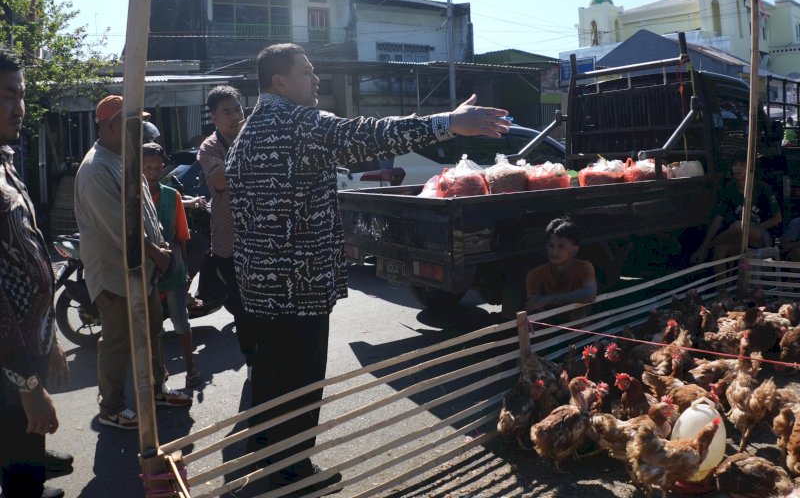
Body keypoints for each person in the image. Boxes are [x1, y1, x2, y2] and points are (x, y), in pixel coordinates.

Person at [224, 42, 510, 491]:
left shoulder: (249, 130)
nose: (316, 79)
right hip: (299, 285)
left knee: (272, 376)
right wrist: (447, 123)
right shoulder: (296, 124)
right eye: (307, 71)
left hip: (260, 286)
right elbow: (368, 133)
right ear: (280, 81)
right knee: (299, 382)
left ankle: (270, 459)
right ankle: (294, 476)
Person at [74, 95, 192, 430]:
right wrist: (155, 252)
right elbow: (118, 229)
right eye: (133, 125)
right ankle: (111, 408)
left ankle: (156, 389)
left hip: (143, 270)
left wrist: (158, 250)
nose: (141, 131)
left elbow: (146, 212)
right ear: (110, 126)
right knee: (118, 341)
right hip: (115, 274)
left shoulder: (125, 159)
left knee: (153, 330)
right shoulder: (96, 168)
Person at [0, 47, 72, 498]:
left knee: (25, 447)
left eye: (22, 95)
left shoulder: (5, 160)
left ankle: (31, 464)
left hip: (28, 350)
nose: (19, 108)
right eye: (8, 95)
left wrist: (52, 341)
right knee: (22, 479)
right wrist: (27, 383)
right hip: (9, 366)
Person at [197, 85, 257, 376]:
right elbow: (221, 181)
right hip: (229, 242)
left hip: (262, 238)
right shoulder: (209, 147)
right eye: (227, 112)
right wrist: (247, 143)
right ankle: (252, 362)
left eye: (238, 110)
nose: (236, 117)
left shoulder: (256, 136)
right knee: (243, 309)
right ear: (213, 118)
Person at [142, 142, 200, 387]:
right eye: (148, 168)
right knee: (151, 325)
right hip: (146, 268)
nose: (153, 173)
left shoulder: (172, 195)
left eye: (157, 167)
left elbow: (182, 236)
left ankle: (190, 367)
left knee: (180, 319)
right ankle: (158, 373)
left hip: (172, 265)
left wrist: (185, 271)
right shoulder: (133, 197)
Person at [690, 152, 783, 270]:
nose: (737, 168)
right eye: (735, 165)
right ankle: (722, 288)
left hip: (762, 236)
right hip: (739, 237)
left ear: (750, 168)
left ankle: (705, 249)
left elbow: (777, 218)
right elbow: (718, 219)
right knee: (720, 250)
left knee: (739, 225)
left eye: (742, 165)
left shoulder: (762, 189)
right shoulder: (729, 190)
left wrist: (754, 228)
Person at [525, 217, 597, 319]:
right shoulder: (535, 274)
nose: (554, 252)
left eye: (561, 246)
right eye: (551, 245)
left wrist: (549, 299)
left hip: (579, 326)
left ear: (574, 250)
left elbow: (590, 294)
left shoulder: (584, 267)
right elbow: (533, 306)